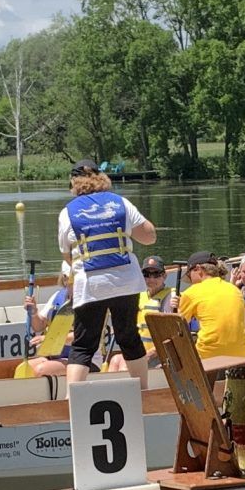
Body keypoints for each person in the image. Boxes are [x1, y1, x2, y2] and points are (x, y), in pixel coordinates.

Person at [57, 162, 157, 385]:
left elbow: (67, 255)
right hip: (126, 281)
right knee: (129, 337)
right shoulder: (120, 202)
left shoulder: (67, 212)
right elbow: (149, 237)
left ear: (73, 183)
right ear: (101, 178)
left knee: (83, 344)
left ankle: (72, 396)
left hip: (90, 283)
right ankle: (143, 391)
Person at [178, 254, 245, 366]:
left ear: (198, 269)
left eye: (189, 276)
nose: (190, 281)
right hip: (242, 352)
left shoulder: (190, 292)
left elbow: (176, 329)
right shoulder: (234, 289)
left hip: (209, 354)